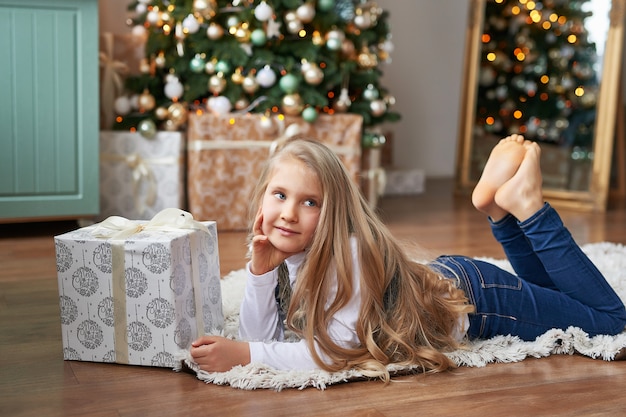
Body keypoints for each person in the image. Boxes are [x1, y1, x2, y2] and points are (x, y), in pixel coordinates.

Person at [190, 135, 626, 380]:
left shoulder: (350, 257)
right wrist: (261, 274)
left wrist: (245, 355)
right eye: (280, 195)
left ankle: (527, 208)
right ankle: (501, 211)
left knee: (611, 322)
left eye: (309, 202)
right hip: (447, 282)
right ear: (263, 196)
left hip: (483, 302)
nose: (287, 212)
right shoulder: (288, 252)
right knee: (557, 296)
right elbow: (263, 337)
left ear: (334, 213)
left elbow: (332, 354)